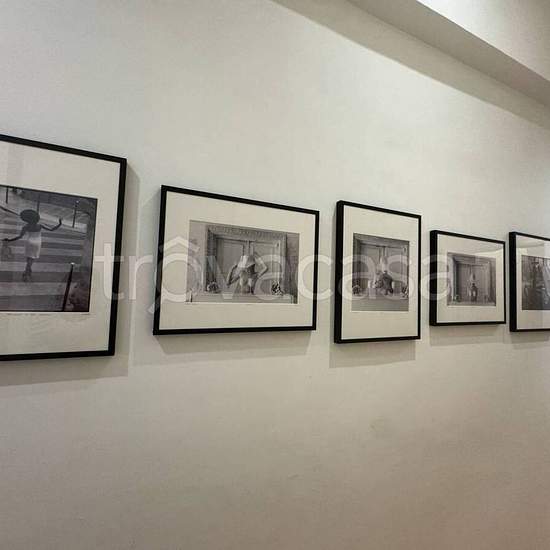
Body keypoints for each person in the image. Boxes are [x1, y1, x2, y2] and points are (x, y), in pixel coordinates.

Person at [2, 209, 62, 281]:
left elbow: (20, 237)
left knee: (29, 259)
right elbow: (52, 229)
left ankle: (27, 271)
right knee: (31, 259)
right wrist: (60, 223)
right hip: (37, 243)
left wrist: (9, 240)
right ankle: (26, 273)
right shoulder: (40, 225)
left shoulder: (25, 227)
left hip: (29, 242)